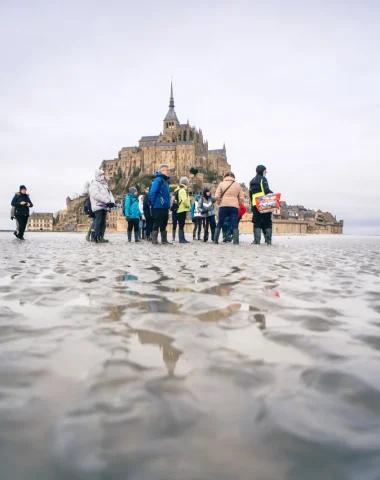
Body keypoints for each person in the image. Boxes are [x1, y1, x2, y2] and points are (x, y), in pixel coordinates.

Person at [214, 172, 244, 244]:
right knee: (234, 224)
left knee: (220, 222)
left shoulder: (221, 184)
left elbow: (217, 196)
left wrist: (219, 203)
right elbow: (241, 197)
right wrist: (238, 204)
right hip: (234, 206)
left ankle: (215, 240)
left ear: (225, 177)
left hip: (223, 206)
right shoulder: (237, 185)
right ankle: (236, 241)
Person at [89, 170, 115, 243]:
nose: (104, 176)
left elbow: (110, 195)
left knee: (103, 223)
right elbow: (96, 195)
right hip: (98, 205)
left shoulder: (104, 186)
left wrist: (111, 202)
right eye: (102, 175)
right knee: (98, 222)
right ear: (98, 176)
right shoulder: (94, 184)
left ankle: (101, 237)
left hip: (103, 206)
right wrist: (107, 201)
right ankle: (96, 237)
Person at [249, 165, 273, 245]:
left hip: (255, 204)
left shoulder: (251, 181)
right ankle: (268, 240)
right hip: (264, 203)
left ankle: (257, 240)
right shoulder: (263, 179)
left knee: (257, 222)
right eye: (265, 170)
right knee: (267, 222)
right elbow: (266, 190)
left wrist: (253, 204)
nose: (266, 172)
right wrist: (272, 193)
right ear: (262, 171)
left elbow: (250, 194)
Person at [148, 164, 171, 245]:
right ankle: (154, 240)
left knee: (164, 223)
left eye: (169, 170)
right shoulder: (158, 180)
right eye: (167, 170)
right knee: (157, 222)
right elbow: (152, 192)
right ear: (161, 171)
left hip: (164, 206)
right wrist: (152, 203)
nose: (169, 171)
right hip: (158, 205)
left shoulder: (165, 181)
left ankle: (164, 240)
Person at [173, 177, 191, 244]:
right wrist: (188, 206)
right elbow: (184, 200)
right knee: (181, 224)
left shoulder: (177, 189)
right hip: (181, 209)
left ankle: (182, 238)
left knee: (181, 224)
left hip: (177, 209)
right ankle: (181, 239)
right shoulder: (183, 190)